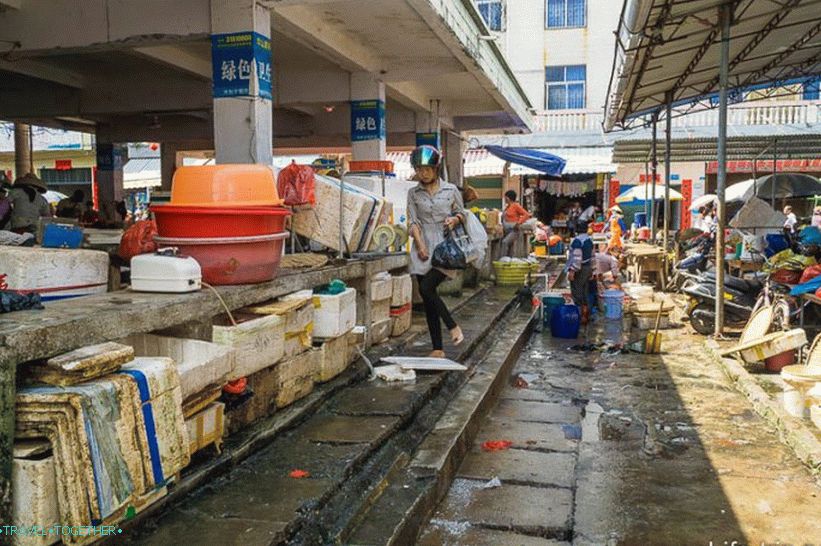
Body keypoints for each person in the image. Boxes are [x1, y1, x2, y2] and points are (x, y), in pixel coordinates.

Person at [406, 145, 466, 358]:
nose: (423, 173)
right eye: (419, 169)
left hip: (444, 248)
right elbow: (413, 221)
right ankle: (437, 348)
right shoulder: (413, 193)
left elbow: (462, 214)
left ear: (436, 168)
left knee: (428, 288)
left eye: (427, 169)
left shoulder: (451, 190)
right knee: (427, 296)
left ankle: (452, 326)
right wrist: (420, 246)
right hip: (422, 245)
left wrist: (454, 219)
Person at [568, 220, 594, 324]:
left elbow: (577, 258)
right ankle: (586, 314)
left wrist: (572, 271)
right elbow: (593, 256)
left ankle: (579, 316)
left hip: (580, 269)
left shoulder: (577, 241)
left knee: (577, 292)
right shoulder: (589, 240)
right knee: (585, 291)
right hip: (587, 268)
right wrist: (593, 271)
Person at [501, 190, 531, 257]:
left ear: (508, 198)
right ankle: (508, 261)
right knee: (510, 248)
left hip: (514, 230)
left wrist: (518, 223)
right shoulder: (507, 207)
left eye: (505, 197)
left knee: (504, 242)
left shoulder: (516, 206)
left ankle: (503, 260)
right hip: (506, 230)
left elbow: (526, 214)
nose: (505, 199)